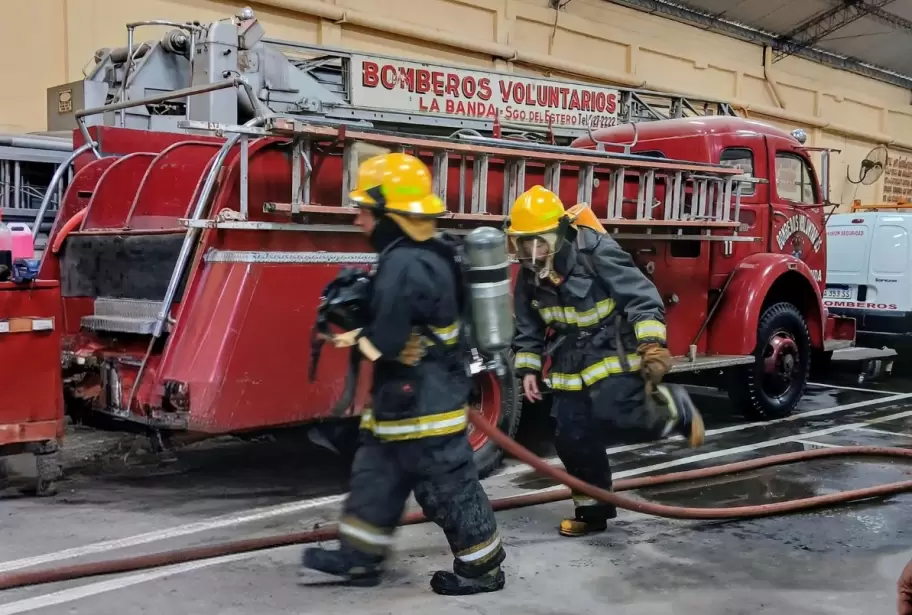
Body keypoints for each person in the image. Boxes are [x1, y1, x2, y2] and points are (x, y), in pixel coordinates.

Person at [300, 152, 506, 595]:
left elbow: (389, 340)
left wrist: (351, 336)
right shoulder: (428, 250)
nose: (359, 221)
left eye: (365, 211)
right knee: (377, 473)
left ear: (390, 213)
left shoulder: (404, 262)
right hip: (410, 392)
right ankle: (359, 559)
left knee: (447, 486)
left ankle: (483, 569)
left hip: (424, 400)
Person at [507, 185, 705, 538]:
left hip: (610, 347)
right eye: (524, 243)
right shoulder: (530, 273)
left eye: (539, 241)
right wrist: (528, 368)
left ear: (560, 233)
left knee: (620, 414)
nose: (532, 252)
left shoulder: (595, 251)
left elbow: (642, 297)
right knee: (572, 438)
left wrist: (651, 345)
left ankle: (678, 411)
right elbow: (527, 324)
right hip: (569, 358)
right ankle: (592, 510)